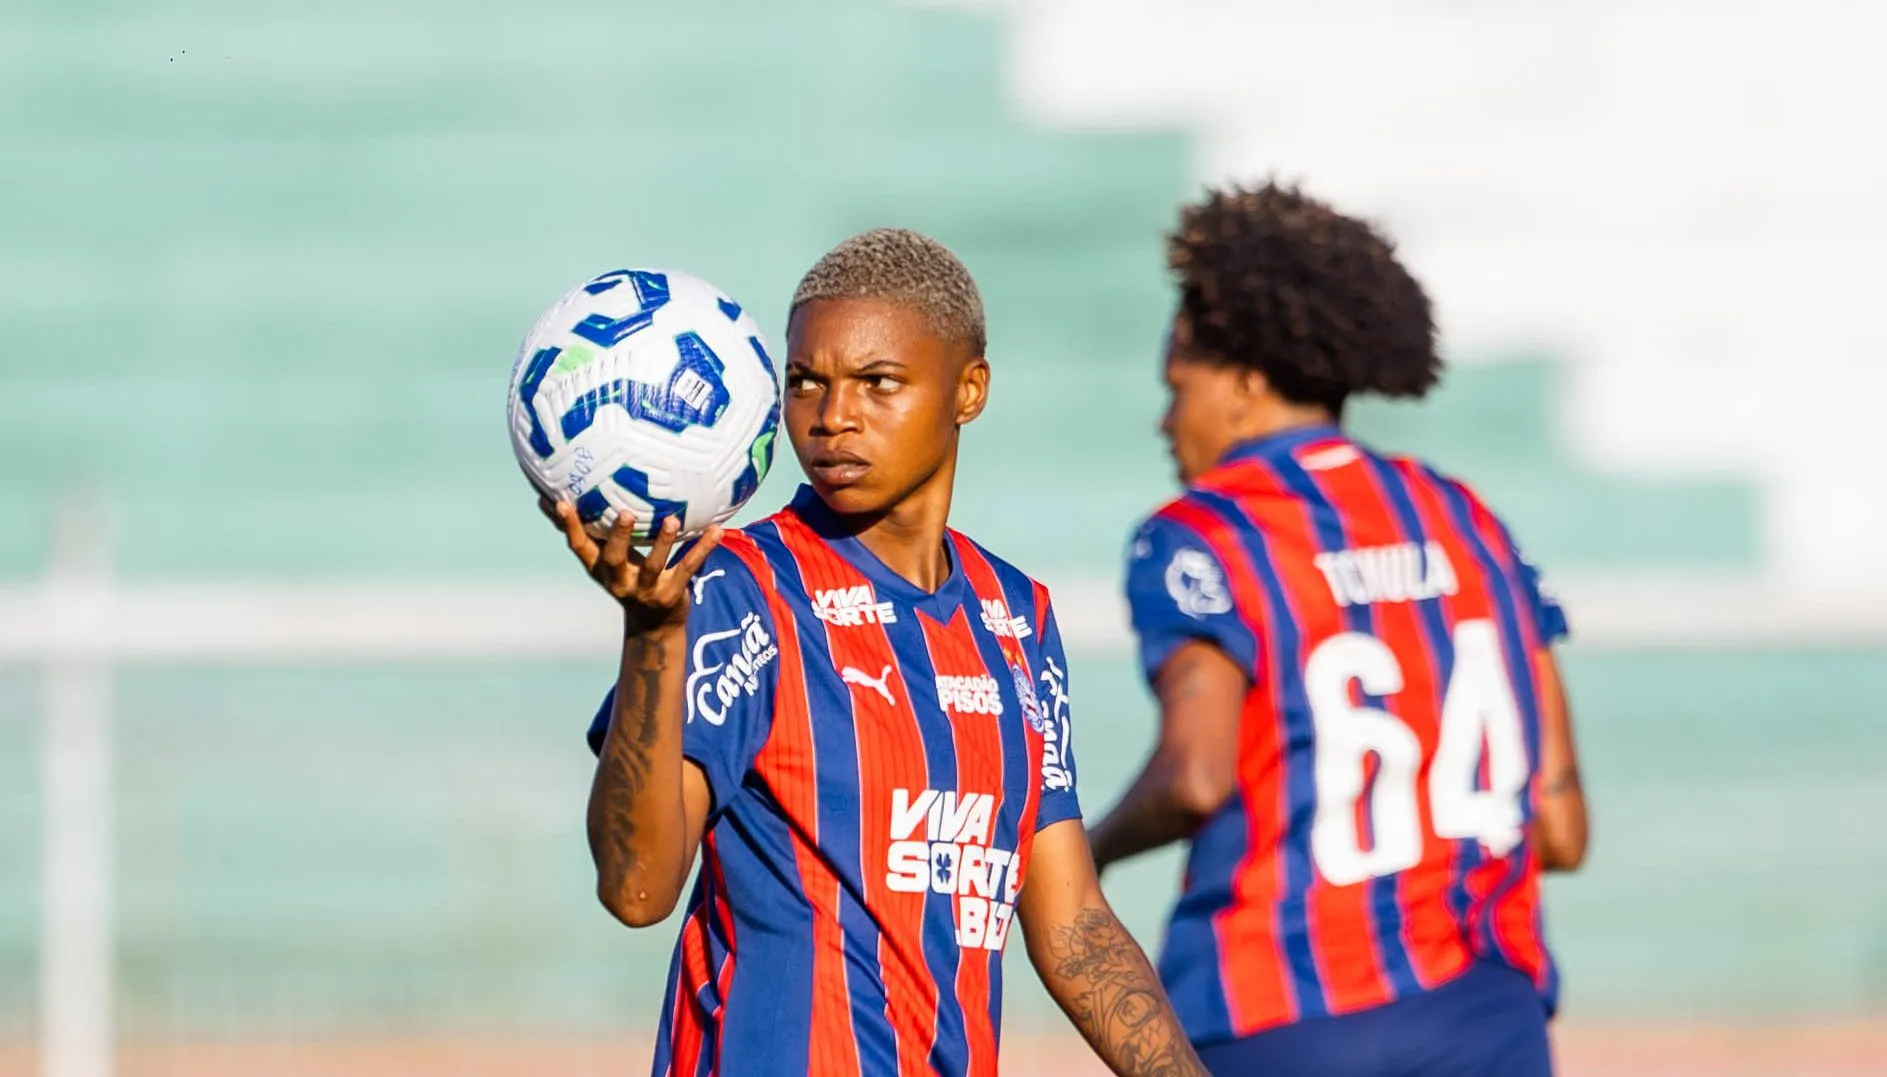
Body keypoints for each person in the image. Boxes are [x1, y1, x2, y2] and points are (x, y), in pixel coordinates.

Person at [547, 229, 1207, 1077]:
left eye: (877, 383)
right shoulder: (740, 588)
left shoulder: (1016, 616)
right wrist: (650, 635)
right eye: (805, 384)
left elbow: (1073, 926)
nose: (830, 418)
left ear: (968, 390)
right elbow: (636, 888)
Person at [1087, 183, 1590, 1077]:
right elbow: (1560, 829)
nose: (1166, 419)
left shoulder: (1204, 530)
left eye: (1177, 387)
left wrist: (1075, 853)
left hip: (1282, 1014)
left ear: (1242, 383)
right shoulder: (1466, 517)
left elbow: (1195, 776)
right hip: (1487, 1013)